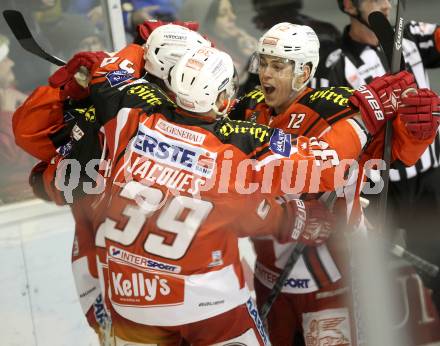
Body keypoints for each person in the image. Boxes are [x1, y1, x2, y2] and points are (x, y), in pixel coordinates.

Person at [81, 34, 412, 342]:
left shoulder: (129, 119)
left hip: (129, 300)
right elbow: (322, 164)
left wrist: (148, 42)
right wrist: (368, 113)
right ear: (224, 98)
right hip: (206, 304)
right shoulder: (234, 146)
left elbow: (108, 75)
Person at [229, 22, 440, 345]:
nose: (266, 74)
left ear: (305, 71)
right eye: (263, 63)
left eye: (278, 65)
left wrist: (415, 131)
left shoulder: (339, 107)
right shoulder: (247, 110)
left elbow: (394, 152)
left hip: (333, 283)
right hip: (269, 279)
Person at [12, 23, 212, 345]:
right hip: (106, 265)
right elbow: (30, 135)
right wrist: (70, 92)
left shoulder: (187, 113)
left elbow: (59, 180)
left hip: (181, 268)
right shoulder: (105, 101)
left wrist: (51, 179)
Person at [329, 0, 440, 317]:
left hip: (429, 178)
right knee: (366, 280)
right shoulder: (337, 65)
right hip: (379, 188)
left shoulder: (411, 34)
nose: (386, 3)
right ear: (349, 5)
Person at [0, 33, 34, 204]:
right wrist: (6, 114)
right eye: (4, 59)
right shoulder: (7, 107)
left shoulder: (17, 97)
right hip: (17, 202)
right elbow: (7, 156)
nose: (11, 63)